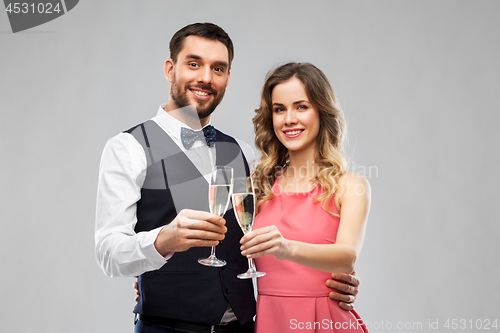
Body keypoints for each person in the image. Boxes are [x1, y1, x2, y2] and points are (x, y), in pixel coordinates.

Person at [96, 22, 359, 333]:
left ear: (227, 78)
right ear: (170, 69)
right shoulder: (128, 148)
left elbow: (293, 226)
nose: (206, 77)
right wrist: (162, 240)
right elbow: (109, 253)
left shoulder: (243, 154)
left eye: (217, 68)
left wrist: (332, 281)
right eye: (193, 64)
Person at [240, 62, 371, 332]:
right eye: (279, 109)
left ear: (321, 112)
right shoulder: (256, 186)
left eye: (301, 106)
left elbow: (347, 256)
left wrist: (286, 248)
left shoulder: (350, 186)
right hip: (269, 322)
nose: (289, 119)